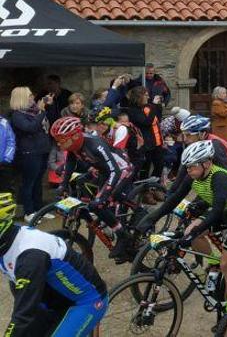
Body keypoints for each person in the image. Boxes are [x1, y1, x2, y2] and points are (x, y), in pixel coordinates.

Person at [135, 141, 227, 313]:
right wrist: (150, 219)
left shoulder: (219, 177)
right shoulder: (193, 175)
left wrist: (194, 231)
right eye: (186, 167)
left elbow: (216, 210)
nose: (188, 171)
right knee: (190, 230)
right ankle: (212, 260)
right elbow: (174, 199)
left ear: (206, 163)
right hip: (224, 211)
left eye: (192, 167)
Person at [0, 193, 108, 336]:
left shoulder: (30, 258)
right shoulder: (9, 238)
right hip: (52, 297)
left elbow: (23, 315)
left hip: (86, 301)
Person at [51, 116, 135, 260]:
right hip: (104, 170)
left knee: (99, 204)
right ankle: (129, 209)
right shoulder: (75, 145)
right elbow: (71, 161)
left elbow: (115, 171)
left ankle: (123, 236)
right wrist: (63, 185)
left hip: (121, 169)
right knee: (87, 186)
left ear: (75, 136)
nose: (58, 143)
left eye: (62, 139)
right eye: (57, 139)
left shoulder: (95, 144)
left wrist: (101, 198)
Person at [9, 87, 52, 222]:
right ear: (21, 98)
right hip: (29, 153)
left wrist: (45, 108)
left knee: (38, 182)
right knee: (29, 183)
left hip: (41, 150)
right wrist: (41, 111)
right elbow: (31, 127)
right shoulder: (17, 115)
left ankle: (40, 210)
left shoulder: (33, 112)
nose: (32, 97)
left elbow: (42, 123)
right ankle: (29, 212)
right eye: (30, 95)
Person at [179, 115, 227, 182]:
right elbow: (183, 171)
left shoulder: (214, 145)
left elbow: (225, 171)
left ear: (202, 133)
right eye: (183, 135)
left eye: (188, 135)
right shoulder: (199, 143)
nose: (185, 139)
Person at [126, 86, 164, 181]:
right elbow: (146, 122)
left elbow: (157, 119)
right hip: (145, 145)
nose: (148, 97)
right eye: (146, 95)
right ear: (139, 97)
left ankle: (155, 186)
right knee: (145, 170)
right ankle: (144, 190)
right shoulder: (133, 110)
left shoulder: (148, 107)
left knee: (160, 165)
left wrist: (158, 106)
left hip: (156, 142)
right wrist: (154, 106)